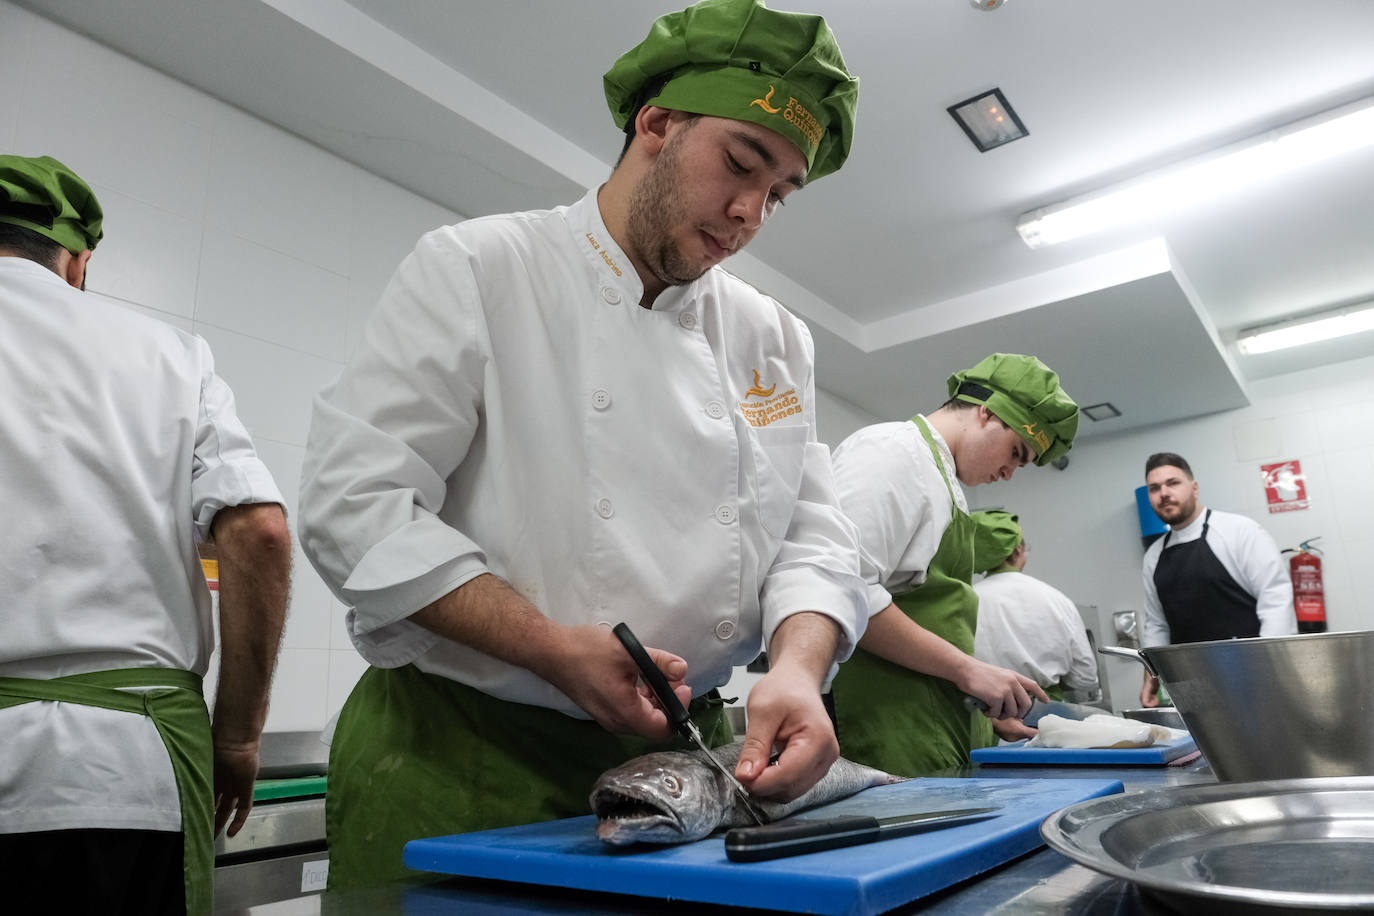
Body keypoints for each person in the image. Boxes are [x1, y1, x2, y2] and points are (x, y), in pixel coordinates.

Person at [297, 0, 866, 887]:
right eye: (742, 162)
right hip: (463, 752)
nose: (750, 211)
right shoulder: (483, 268)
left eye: (779, 194)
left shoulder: (774, 338)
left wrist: (796, 668)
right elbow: (355, 507)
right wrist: (549, 647)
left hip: (689, 767)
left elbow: (813, 538)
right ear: (657, 123)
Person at [0, 154, 291, 915]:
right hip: (126, 775)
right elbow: (259, 531)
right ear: (78, 262)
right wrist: (236, 739)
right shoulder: (169, 354)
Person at [828, 353, 1080, 775]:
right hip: (891, 720)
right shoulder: (893, 451)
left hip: (941, 717)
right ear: (986, 412)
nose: (1010, 473)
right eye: (1016, 453)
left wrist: (977, 698)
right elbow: (844, 590)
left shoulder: (944, 482)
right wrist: (967, 669)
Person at [1139, 452, 1295, 706]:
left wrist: (1271, 671)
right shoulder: (1153, 557)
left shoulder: (1239, 532)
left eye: (1173, 483)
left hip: (1256, 680)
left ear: (1195, 487)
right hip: (1193, 690)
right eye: (1154, 488)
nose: (1164, 493)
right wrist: (1150, 675)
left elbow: (1275, 600)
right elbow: (1157, 625)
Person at [970, 510, 1099, 702]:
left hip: (987, 716)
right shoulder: (1057, 600)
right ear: (1018, 549)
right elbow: (1085, 677)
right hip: (1046, 714)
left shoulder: (967, 600)